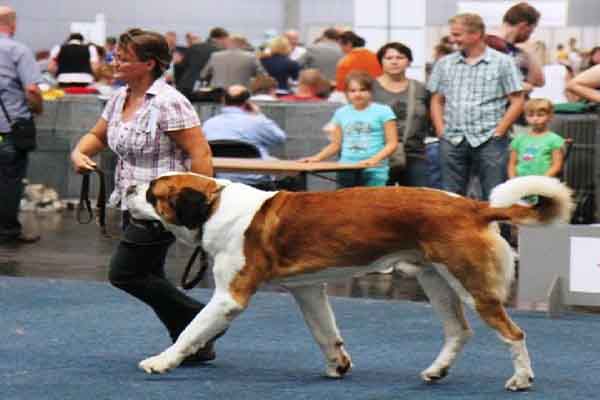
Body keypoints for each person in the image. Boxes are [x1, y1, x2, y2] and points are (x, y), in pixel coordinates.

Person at [70, 28, 217, 362]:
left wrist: (199, 202)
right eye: (115, 56)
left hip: (162, 206)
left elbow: (200, 153)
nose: (114, 62)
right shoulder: (119, 97)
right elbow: (98, 134)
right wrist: (79, 153)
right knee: (150, 275)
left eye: (123, 58)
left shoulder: (169, 103)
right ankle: (194, 343)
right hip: (130, 199)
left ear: (148, 64)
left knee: (125, 274)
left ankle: (204, 321)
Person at [428, 13, 524, 200]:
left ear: (477, 34)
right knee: (451, 197)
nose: (452, 39)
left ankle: (499, 230)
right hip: (453, 139)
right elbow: (436, 99)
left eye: (457, 35)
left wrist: (499, 131)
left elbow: (517, 100)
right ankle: (454, 230)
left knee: (496, 196)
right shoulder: (445, 63)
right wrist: (441, 131)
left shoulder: (503, 62)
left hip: (490, 139)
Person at [300, 71, 397, 188]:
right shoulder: (341, 113)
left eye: (363, 90)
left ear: (370, 91)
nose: (358, 94)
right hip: (346, 168)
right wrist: (316, 158)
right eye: (353, 91)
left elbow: (392, 143)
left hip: (374, 170)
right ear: (346, 93)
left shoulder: (384, 111)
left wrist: (373, 160)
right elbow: (336, 144)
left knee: (372, 205)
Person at [0, 6, 43, 244]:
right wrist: (37, 108)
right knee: (9, 180)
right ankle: (7, 231)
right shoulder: (18, 50)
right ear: (13, 25)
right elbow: (32, 89)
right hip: (8, 130)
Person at [203, 84, 286, 187]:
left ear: (224, 101)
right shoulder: (258, 121)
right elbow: (280, 138)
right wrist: (258, 114)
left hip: (222, 182)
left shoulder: (208, 124)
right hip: (257, 184)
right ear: (247, 102)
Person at [372, 42, 431, 187]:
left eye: (400, 57)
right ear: (381, 61)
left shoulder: (421, 89)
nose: (394, 61)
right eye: (389, 58)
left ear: (409, 61)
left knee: (417, 201)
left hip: (415, 153)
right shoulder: (369, 88)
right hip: (379, 155)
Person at [485, 2, 544, 93]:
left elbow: (539, 82)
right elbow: (487, 80)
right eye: (530, 31)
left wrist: (530, 54)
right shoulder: (489, 43)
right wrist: (519, 86)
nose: (529, 36)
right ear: (523, 26)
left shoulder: (519, 50)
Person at [508, 98, 565, 180]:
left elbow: (556, 166)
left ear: (550, 116)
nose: (535, 119)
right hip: (520, 184)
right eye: (530, 115)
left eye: (540, 115)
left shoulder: (555, 140)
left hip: (543, 184)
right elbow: (512, 164)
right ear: (525, 117)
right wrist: (513, 180)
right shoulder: (518, 139)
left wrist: (540, 180)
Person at [177, 27, 229, 96]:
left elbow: (181, 66)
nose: (227, 43)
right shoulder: (220, 52)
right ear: (222, 38)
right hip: (206, 90)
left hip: (186, 87)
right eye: (226, 40)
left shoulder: (194, 47)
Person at [200, 34, 265, 88]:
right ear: (243, 44)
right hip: (240, 92)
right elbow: (262, 75)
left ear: (229, 43)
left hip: (217, 92)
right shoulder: (251, 57)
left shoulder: (215, 56)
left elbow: (203, 74)